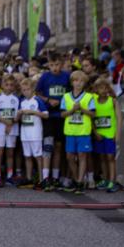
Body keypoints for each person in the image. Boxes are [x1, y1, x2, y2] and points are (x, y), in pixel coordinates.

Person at [35, 53, 71, 191]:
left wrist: (62, 102)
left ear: (61, 64)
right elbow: (37, 93)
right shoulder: (45, 77)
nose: (54, 68)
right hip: (49, 116)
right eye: (51, 65)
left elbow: (71, 93)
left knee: (58, 146)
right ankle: (45, 177)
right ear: (48, 65)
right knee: (48, 146)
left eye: (57, 65)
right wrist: (48, 100)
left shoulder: (67, 76)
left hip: (62, 116)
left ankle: (55, 177)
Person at [60, 70, 96, 194]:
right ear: (72, 82)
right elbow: (62, 114)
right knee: (69, 157)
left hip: (83, 131)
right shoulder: (66, 96)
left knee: (82, 156)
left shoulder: (89, 97)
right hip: (70, 131)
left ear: (84, 83)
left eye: (81, 81)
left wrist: (82, 109)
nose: (78, 83)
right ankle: (76, 179)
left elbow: (93, 114)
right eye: (76, 80)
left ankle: (80, 182)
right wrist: (72, 110)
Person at [17, 77, 49, 189]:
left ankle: (41, 179)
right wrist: (19, 114)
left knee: (38, 156)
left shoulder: (37, 100)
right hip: (25, 133)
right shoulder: (22, 101)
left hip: (35, 134)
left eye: (28, 89)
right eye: (23, 90)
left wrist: (33, 112)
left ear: (33, 89)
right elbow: (17, 119)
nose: (26, 92)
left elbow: (46, 115)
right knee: (27, 156)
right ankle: (29, 178)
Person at [0, 74, 21, 186]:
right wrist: (5, 122)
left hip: (13, 128)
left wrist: (11, 123)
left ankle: (9, 175)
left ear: (14, 86)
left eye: (11, 85)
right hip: (0, 128)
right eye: (7, 84)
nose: (9, 87)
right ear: (2, 85)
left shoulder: (16, 99)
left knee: (10, 152)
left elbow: (18, 114)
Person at [92, 77, 119, 192]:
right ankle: (106, 179)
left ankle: (113, 181)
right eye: (101, 88)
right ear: (96, 89)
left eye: (106, 88)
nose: (103, 90)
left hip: (110, 134)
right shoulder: (93, 101)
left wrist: (117, 133)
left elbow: (119, 118)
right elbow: (91, 118)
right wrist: (95, 132)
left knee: (110, 157)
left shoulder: (113, 101)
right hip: (99, 134)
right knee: (102, 158)